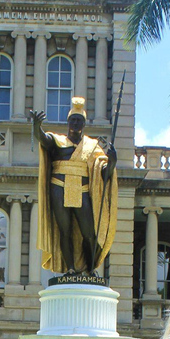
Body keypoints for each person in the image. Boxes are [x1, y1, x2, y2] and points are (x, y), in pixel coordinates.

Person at [31, 96, 118, 275]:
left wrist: (112, 162)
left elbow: (103, 174)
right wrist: (36, 126)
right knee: (65, 231)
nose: (76, 123)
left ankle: (90, 268)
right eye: (73, 120)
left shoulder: (92, 146)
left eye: (79, 120)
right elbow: (43, 138)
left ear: (84, 124)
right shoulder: (58, 141)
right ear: (68, 122)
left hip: (82, 190)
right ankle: (70, 268)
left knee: (89, 233)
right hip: (59, 187)